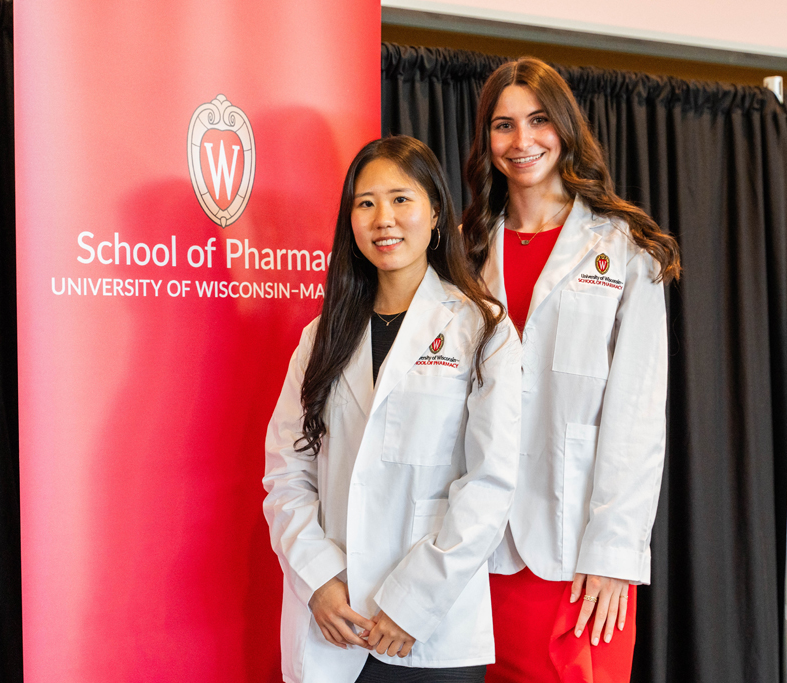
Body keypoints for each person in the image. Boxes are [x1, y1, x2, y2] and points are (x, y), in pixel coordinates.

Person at [263, 135, 522, 683]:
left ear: (435, 214)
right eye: (366, 202)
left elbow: (490, 484)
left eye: (402, 199)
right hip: (335, 621)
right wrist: (318, 580)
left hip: (432, 629)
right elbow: (286, 473)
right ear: (350, 223)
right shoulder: (321, 337)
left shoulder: (483, 329)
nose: (385, 218)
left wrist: (411, 602)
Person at [461, 57, 681, 683]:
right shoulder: (463, 250)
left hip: (580, 555)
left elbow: (637, 414)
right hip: (479, 549)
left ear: (565, 127)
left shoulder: (622, 248)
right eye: (503, 126)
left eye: (537, 121)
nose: (522, 141)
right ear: (486, 141)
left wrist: (614, 549)